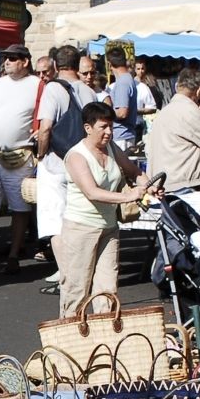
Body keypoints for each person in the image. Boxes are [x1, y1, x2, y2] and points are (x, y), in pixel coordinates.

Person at [58, 102, 150, 318]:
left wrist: (149, 185)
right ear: (88, 128)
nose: (109, 132)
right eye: (103, 127)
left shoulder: (111, 148)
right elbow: (92, 192)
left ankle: (105, 341)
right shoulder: (76, 156)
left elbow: (134, 171)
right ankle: (67, 341)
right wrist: (128, 196)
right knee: (77, 290)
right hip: (81, 229)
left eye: (111, 126)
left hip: (108, 228)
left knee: (108, 291)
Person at [35, 45, 96, 294]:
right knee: (77, 220)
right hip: (83, 162)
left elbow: (46, 127)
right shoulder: (90, 92)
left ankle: (68, 280)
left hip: (56, 163)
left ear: (56, 64)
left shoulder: (53, 89)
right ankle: (82, 274)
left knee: (55, 224)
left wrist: (40, 153)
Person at [0, 44, 41, 273]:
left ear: (25, 62)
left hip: (21, 155)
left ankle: (14, 254)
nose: (7, 62)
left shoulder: (37, 86)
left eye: (12, 58)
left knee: (19, 207)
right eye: (5, 58)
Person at [145, 67, 200, 194]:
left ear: (177, 86)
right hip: (184, 186)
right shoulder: (190, 112)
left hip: (165, 183)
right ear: (199, 90)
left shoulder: (164, 112)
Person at [106, 47, 139, 147]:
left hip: (121, 137)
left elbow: (122, 112)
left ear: (109, 64)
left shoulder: (123, 82)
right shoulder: (127, 79)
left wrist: (105, 112)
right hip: (124, 135)